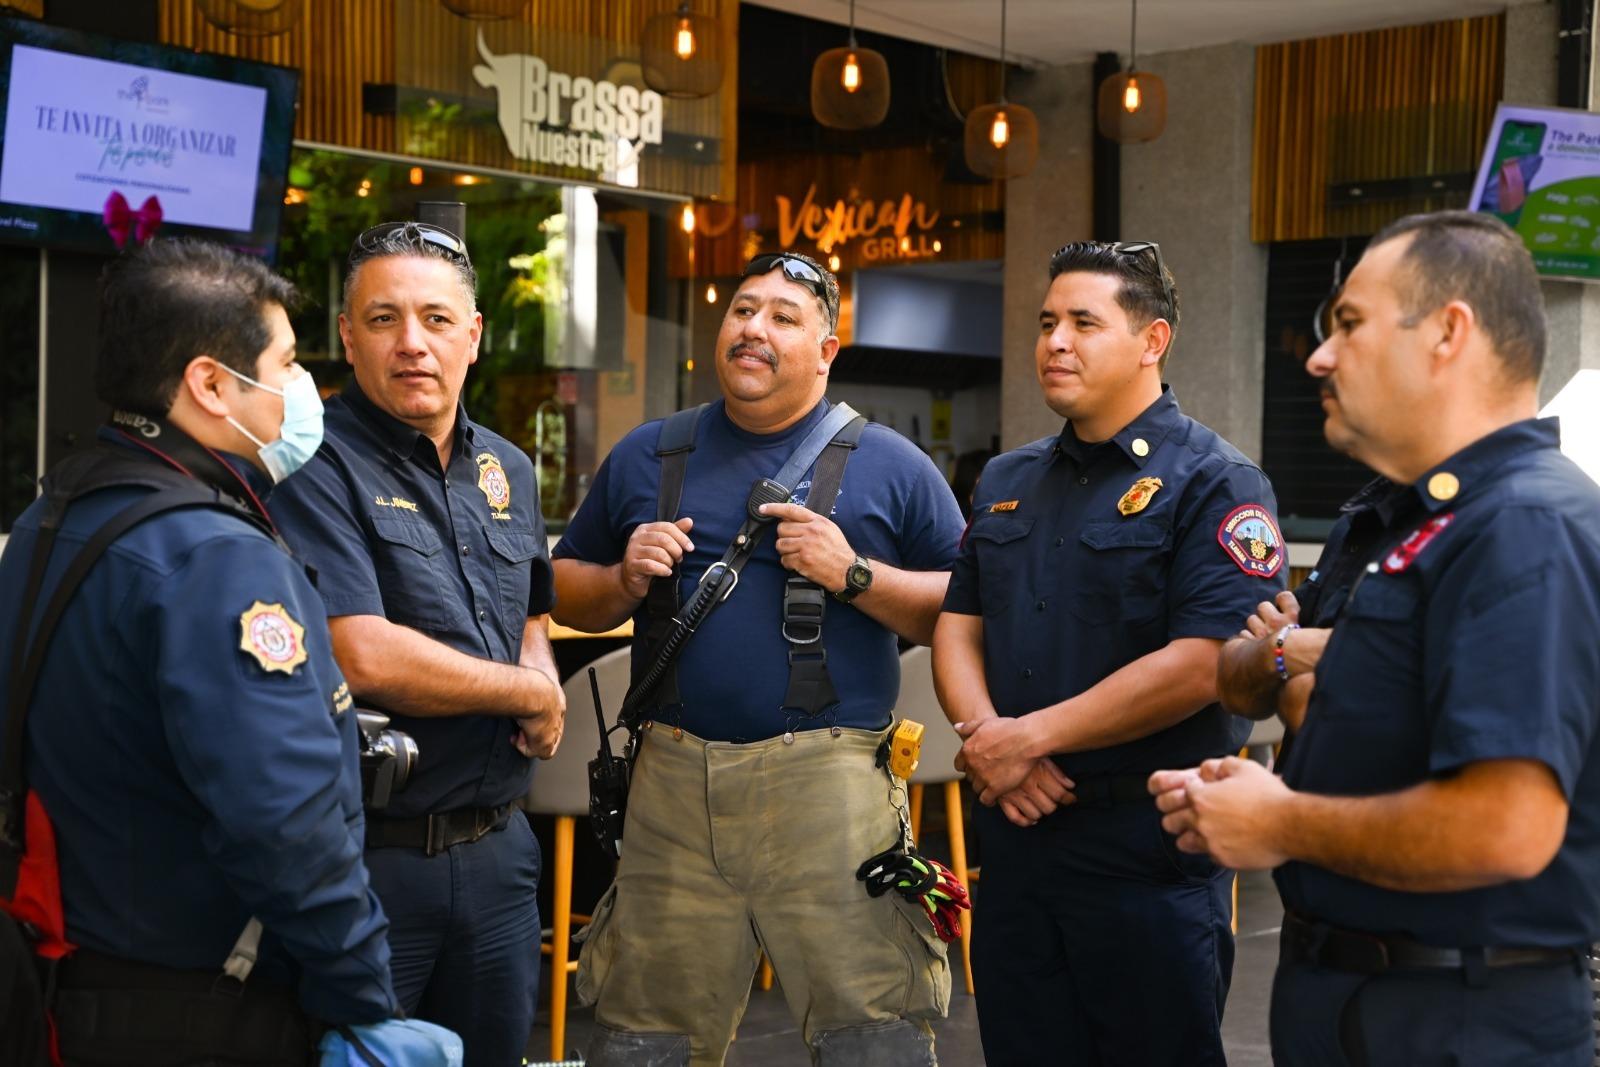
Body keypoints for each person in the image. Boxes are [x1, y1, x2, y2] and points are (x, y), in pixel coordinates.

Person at [1151, 210, 1600, 1066]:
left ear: (1447, 333)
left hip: (1457, 1017)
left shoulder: (1524, 524)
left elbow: (1506, 827)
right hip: (1359, 997)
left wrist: (1283, 821)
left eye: (1349, 324)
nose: (1318, 355)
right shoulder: (1414, 522)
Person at [0, 239, 435, 1062]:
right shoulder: (214, 556)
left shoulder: (54, 517)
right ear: (208, 383)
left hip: (74, 974)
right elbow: (285, 821)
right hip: (199, 1002)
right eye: (285, 363)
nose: (299, 390)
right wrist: (365, 999)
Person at [551, 251, 967, 1066]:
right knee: (646, 1039)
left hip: (833, 792)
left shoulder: (894, 466)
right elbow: (567, 591)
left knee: (869, 1038)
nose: (754, 329)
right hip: (669, 787)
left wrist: (853, 574)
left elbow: (967, 610)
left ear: (826, 348)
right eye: (744, 310)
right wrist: (621, 574)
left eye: (784, 316)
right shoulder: (648, 453)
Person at [932, 240, 1286, 1066]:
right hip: (1018, 837)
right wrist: (992, 743)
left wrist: (1032, 737)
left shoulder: (1217, 481)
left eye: (1084, 322)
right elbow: (959, 622)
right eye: (1047, 321)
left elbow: (1207, 660)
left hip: (1146, 851)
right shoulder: (1005, 476)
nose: (1055, 340)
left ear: (1151, 341)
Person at [269, 222, 565, 1067]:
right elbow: (360, 652)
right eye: (384, 318)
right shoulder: (313, 465)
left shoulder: (507, 465)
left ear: (472, 337)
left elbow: (531, 615)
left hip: (503, 850)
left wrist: (539, 667)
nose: (412, 344)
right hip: (375, 861)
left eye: (436, 319)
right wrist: (530, 694)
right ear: (348, 338)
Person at [1215, 474, 1402, 733]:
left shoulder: (1468, 529)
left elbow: (1312, 708)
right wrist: (1281, 650)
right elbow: (1233, 687)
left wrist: (1281, 652)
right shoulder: (1360, 519)